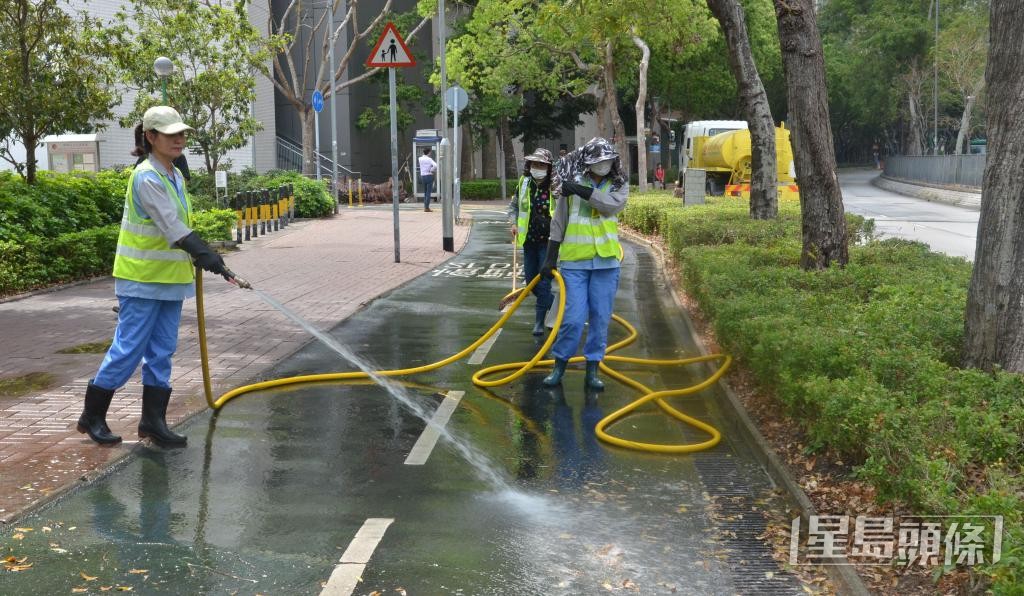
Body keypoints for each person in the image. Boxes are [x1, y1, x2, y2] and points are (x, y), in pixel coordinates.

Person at [78, 106, 238, 448]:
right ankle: (92, 415)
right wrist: (202, 251)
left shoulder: (174, 175)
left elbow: (178, 222)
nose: (179, 140)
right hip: (141, 279)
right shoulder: (146, 177)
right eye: (170, 135)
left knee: (163, 350)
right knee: (129, 350)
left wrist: (200, 251)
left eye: (181, 134)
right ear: (150, 137)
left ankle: (153, 422)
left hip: (170, 280)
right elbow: (171, 225)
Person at [540, 138, 628, 390]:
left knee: (600, 319)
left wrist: (580, 191)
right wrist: (549, 259)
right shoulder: (572, 183)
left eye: (607, 160)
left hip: (606, 264)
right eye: (598, 161)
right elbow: (559, 223)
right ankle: (559, 367)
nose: (603, 165)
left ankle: (593, 370)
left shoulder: (619, 185)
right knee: (573, 319)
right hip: (574, 263)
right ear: (588, 163)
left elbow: (610, 207)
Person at [508, 148, 557, 335]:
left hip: (549, 243)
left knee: (544, 281)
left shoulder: (555, 186)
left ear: (549, 167)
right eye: (535, 164)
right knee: (530, 281)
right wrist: (513, 223)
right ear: (530, 166)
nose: (538, 168)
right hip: (529, 241)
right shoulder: (524, 183)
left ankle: (539, 323)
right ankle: (554, 305)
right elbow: (514, 207)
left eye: (542, 165)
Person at [418, 147, 438, 212]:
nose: (430, 153)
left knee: (425, 192)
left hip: (423, 176)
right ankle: (427, 207)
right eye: (430, 152)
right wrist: (431, 170)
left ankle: (425, 206)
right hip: (429, 176)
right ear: (428, 152)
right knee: (428, 192)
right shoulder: (429, 159)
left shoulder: (420, 159)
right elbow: (435, 165)